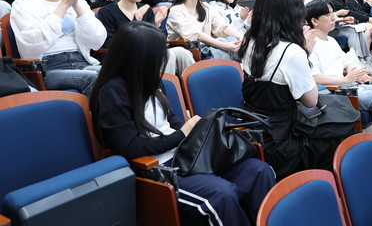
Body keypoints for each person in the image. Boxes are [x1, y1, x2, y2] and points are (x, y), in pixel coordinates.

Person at [90, 21, 275, 226]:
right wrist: (181, 134)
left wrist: (192, 129)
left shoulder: (151, 79)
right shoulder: (112, 92)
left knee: (259, 171)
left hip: (184, 155)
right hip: (156, 169)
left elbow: (170, 120)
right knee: (221, 194)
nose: (161, 59)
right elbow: (129, 147)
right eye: (158, 54)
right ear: (139, 57)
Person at [239, 0, 349, 179]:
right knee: (342, 128)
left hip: (254, 130)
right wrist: (305, 53)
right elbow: (310, 101)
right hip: (283, 141)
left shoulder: (250, 42)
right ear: (291, 13)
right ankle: (324, 188)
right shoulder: (292, 52)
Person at [10, 0, 106, 97]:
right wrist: (64, 5)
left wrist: (76, 6)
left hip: (82, 61)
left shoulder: (77, 0)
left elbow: (97, 40)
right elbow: (31, 47)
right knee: (92, 78)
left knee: (118, 73)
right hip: (48, 68)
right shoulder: (23, 5)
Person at [306, 0, 372, 125]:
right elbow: (315, 78)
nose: (333, 17)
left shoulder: (331, 40)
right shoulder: (309, 44)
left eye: (333, 13)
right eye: (328, 14)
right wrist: (346, 80)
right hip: (334, 92)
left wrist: (354, 73)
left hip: (349, 85)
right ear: (314, 21)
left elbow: (347, 63)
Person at [97, 0, 193, 75]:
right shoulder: (107, 12)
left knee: (182, 52)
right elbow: (110, 46)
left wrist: (156, 25)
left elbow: (158, 44)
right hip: (123, 60)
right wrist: (134, 22)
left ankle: (187, 90)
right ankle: (158, 90)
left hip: (147, 56)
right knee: (167, 56)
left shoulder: (146, 10)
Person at [167, 0, 243, 61]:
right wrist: (225, 46)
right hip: (189, 52)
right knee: (224, 43)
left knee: (234, 39)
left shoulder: (206, 7)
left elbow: (222, 26)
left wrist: (240, 36)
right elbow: (196, 35)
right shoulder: (176, 11)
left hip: (208, 48)